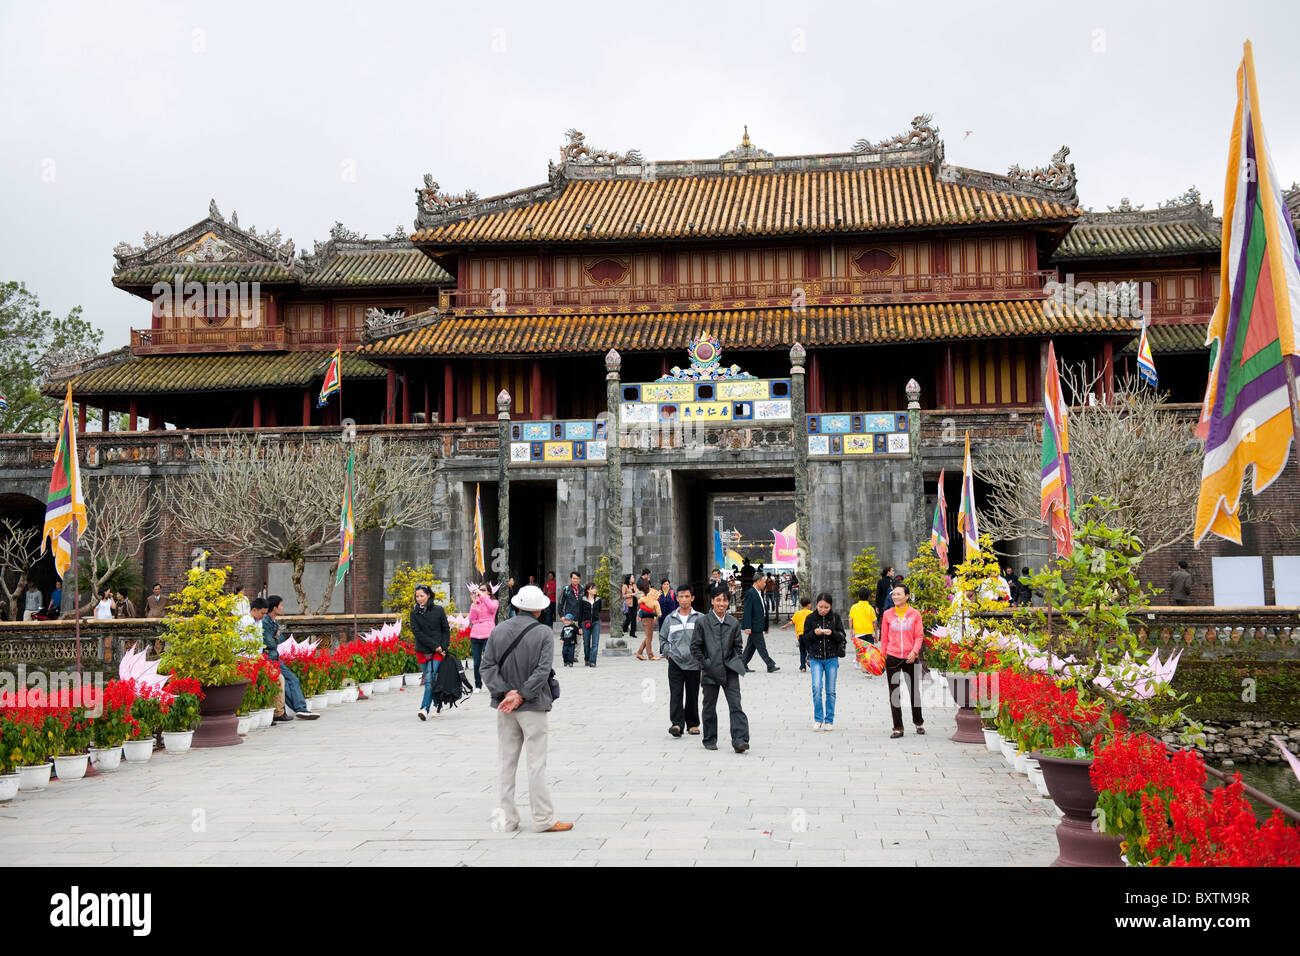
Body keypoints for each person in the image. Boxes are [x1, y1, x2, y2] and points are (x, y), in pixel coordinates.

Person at [480, 583, 573, 833]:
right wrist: (521, 695)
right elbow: (542, 671)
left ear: (517, 605)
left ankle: (508, 819)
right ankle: (542, 819)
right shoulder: (543, 633)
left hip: (504, 706)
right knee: (536, 763)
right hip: (533, 705)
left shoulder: (498, 631)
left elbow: (486, 667)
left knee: (506, 763)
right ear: (539, 610)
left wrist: (506, 693)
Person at [691, 587, 750, 753]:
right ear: (712, 601)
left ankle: (740, 740)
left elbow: (738, 646)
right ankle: (710, 738)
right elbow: (695, 647)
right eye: (718, 600)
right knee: (709, 706)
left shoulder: (733, 623)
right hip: (710, 671)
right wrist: (706, 663)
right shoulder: (702, 622)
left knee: (736, 705)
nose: (721, 604)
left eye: (724, 600)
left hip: (730, 670)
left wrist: (735, 660)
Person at [262, 595, 318, 720]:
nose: (282, 608)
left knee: (293, 679)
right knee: (284, 684)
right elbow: (268, 643)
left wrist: (275, 637)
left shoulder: (273, 622)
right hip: (268, 658)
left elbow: (280, 640)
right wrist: (275, 637)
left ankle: (301, 709)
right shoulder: (264, 622)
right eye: (280, 605)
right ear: (274, 607)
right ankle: (298, 709)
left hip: (275, 657)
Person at [880, 583, 925, 739]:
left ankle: (918, 722)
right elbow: (884, 638)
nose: (895, 597)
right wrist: (883, 655)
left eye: (899, 594)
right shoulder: (887, 615)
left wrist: (914, 652)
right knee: (894, 693)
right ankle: (898, 727)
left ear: (907, 596)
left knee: (914, 691)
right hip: (892, 657)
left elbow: (919, 636)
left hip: (910, 657)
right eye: (893, 594)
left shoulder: (915, 614)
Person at [659, 583, 703, 738]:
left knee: (692, 693)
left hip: (694, 663)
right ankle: (677, 723)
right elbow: (663, 638)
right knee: (676, 693)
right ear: (676, 599)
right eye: (681, 597)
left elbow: (705, 639)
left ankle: (692, 724)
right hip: (676, 662)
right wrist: (668, 653)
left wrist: (701, 656)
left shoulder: (700, 618)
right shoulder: (670, 619)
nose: (684, 600)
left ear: (692, 598)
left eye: (687, 597)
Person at [243, 598, 293, 724]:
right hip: (245, 660)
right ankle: (267, 711)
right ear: (254, 610)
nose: (263, 616)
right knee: (267, 681)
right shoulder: (245, 622)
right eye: (262, 613)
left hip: (258, 659)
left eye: (265, 613)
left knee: (278, 678)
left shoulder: (258, 622)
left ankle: (277, 712)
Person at [804, 592, 847, 731]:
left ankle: (829, 720)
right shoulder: (810, 618)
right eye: (820, 606)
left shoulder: (835, 618)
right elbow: (804, 639)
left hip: (832, 658)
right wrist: (813, 634)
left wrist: (832, 633)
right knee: (816, 688)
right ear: (815, 605)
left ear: (830, 606)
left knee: (830, 691)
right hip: (815, 658)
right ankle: (818, 718)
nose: (823, 610)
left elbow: (842, 636)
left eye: (826, 607)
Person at [412, 583, 451, 719]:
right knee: (430, 680)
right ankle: (438, 704)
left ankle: (424, 709)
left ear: (428, 595)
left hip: (438, 652)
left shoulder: (438, 610)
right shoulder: (414, 613)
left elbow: (446, 630)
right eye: (417, 596)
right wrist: (435, 646)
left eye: (422, 596)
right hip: (422, 650)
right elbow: (418, 633)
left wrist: (443, 647)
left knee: (429, 678)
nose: (419, 598)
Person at [741, 573, 779, 673]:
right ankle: (770, 665)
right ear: (758, 581)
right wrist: (747, 626)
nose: (765, 584)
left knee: (751, 647)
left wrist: (766, 626)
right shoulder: (750, 593)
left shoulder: (758, 592)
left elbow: (763, 610)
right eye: (764, 582)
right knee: (761, 646)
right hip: (754, 625)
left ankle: (742, 664)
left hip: (759, 625)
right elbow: (748, 611)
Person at [467, 584, 498, 693]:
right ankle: (478, 685)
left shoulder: (494, 602)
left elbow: (492, 608)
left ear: (489, 592)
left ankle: (492, 684)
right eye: (479, 590)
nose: (480, 592)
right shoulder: (476, 603)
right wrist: (475, 603)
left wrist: (482, 596)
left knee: (489, 661)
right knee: (476, 662)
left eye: (483, 590)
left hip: (488, 634)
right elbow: (472, 618)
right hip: (475, 634)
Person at [784, 594, 813, 671]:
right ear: (809, 604)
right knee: (811, 650)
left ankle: (803, 667)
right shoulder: (811, 613)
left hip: (800, 636)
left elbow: (791, 622)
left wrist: (785, 626)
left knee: (802, 651)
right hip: (808, 635)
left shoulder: (797, 613)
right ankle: (809, 658)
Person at [635, 581, 662, 661]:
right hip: (647, 617)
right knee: (649, 637)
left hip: (648, 617)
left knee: (648, 636)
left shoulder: (647, 595)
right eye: (648, 585)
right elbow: (644, 606)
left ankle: (639, 652)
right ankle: (650, 655)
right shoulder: (644, 595)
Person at [578, 581, 602, 667]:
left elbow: (599, 610)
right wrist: (579, 627)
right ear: (588, 590)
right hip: (585, 623)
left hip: (596, 622)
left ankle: (593, 661)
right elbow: (580, 614)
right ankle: (587, 659)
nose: (595, 590)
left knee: (595, 642)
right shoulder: (582, 600)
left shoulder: (598, 600)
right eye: (593, 588)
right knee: (586, 643)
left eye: (595, 588)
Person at [849, 586, 878, 657]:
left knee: (860, 654)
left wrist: (851, 632)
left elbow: (850, 619)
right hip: (869, 634)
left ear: (859, 596)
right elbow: (874, 622)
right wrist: (876, 634)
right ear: (868, 597)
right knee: (869, 655)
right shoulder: (870, 608)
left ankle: (859, 664)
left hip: (858, 634)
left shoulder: (854, 607)